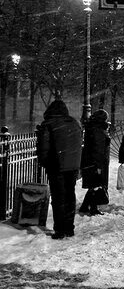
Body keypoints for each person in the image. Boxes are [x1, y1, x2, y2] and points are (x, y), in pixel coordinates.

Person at [36, 100, 83, 239]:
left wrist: (45, 162)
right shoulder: (74, 123)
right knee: (69, 196)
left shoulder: (49, 124)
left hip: (57, 166)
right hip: (72, 166)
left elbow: (44, 148)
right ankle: (69, 227)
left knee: (58, 198)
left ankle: (60, 229)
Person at [79, 109, 111, 216]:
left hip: (92, 160)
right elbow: (98, 149)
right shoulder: (98, 130)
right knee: (96, 185)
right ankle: (93, 208)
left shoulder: (94, 128)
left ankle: (85, 206)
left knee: (94, 185)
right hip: (96, 162)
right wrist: (98, 165)